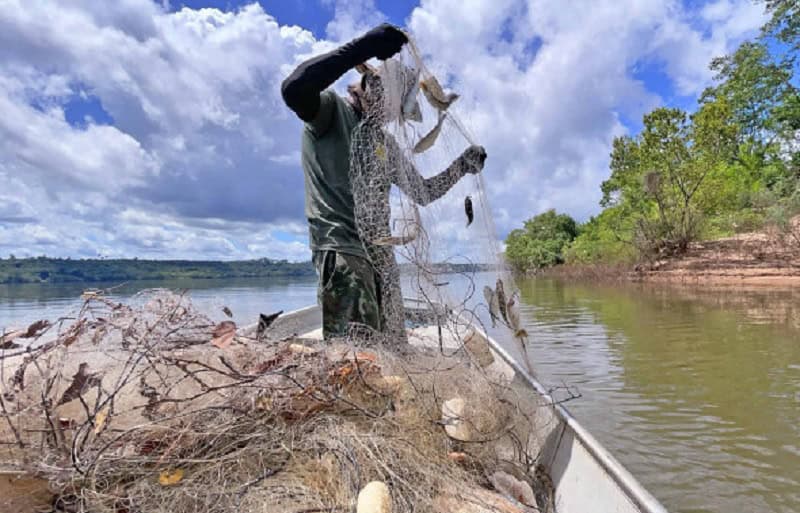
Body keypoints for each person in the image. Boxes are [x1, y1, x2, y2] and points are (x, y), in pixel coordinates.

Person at [281, 24, 486, 341]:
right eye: (385, 95)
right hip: (343, 249)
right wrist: (361, 48)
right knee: (355, 355)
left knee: (394, 347)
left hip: (381, 257)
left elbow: (423, 191)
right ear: (367, 85)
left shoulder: (384, 142)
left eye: (394, 106)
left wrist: (462, 166)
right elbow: (294, 89)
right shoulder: (330, 112)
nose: (388, 109)